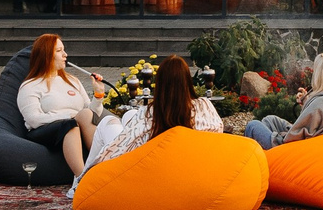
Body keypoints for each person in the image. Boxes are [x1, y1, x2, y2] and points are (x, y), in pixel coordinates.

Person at [72, 54, 222, 198]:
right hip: (191, 170)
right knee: (129, 116)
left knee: (107, 123)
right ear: (187, 82)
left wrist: (92, 171)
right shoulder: (204, 106)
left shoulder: (151, 113)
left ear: (161, 85)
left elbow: (120, 148)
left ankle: (79, 186)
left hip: (152, 175)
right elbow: (217, 134)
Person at [235, 49, 323, 149]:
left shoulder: (321, 104)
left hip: (290, 148)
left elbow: (293, 138)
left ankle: (261, 165)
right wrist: (306, 102)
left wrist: (279, 136)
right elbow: (316, 123)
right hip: (313, 141)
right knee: (270, 120)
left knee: (253, 126)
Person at [14, 33, 102, 177]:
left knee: (86, 114)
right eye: (59, 51)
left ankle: (102, 168)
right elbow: (33, 119)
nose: (65, 54)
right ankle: (81, 178)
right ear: (46, 55)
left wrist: (98, 95)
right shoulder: (30, 86)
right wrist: (68, 116)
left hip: (75, 124)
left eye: (64, 50)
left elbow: (91, 113)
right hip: (44, 130)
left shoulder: (72, 81)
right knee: (70, 125)